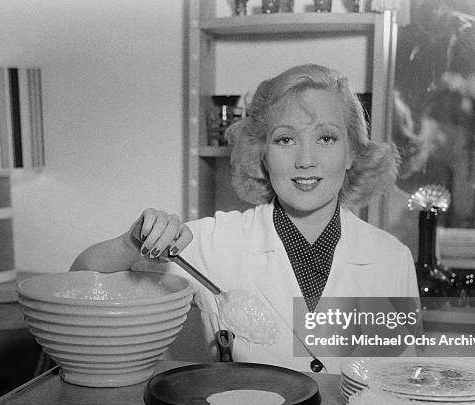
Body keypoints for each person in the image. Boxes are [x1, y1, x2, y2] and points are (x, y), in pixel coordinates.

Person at [71, 64, 419, 374]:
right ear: (263, 155)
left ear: (351, 154)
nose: (306, 160)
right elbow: (81, 283)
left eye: (326, 138)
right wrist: (132, 243)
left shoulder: (392, 260)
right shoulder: (213, 242)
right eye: (285, 140)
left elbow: (403, 386)